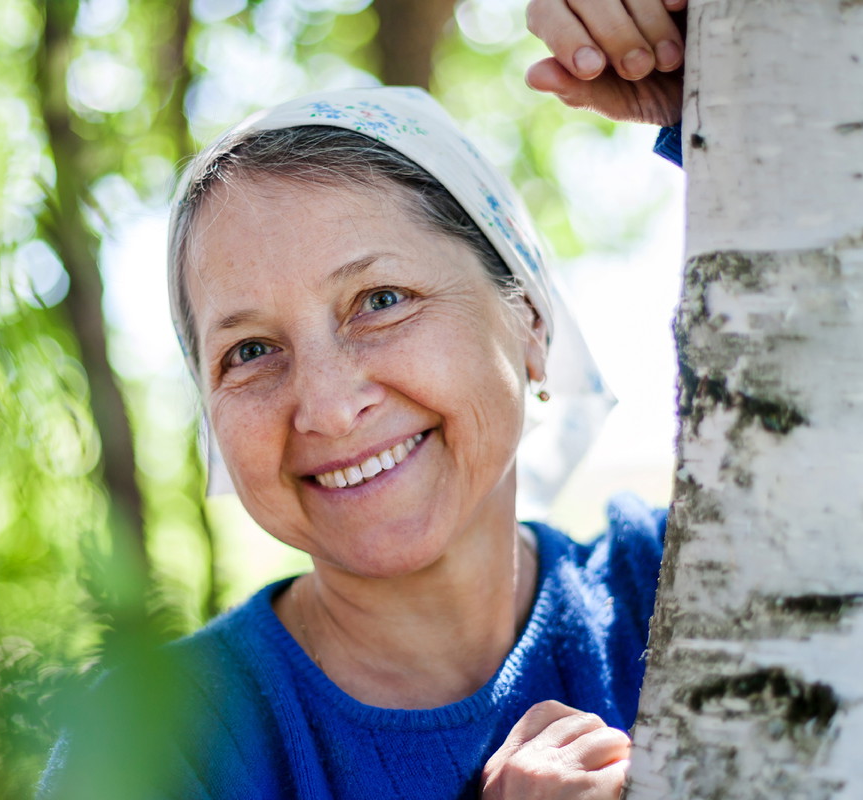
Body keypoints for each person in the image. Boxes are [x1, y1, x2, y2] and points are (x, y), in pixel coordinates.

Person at [40, 1, 686, 797]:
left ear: (528, 318)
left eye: (380, 300)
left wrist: (720, 93)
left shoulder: (678, 594)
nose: (328, 408)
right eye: (249, 352)